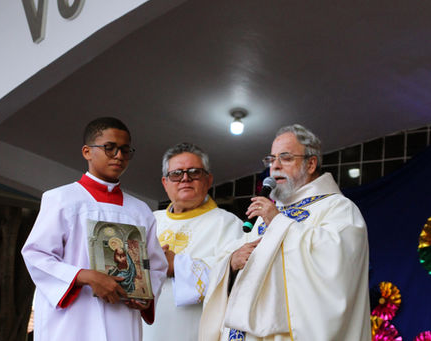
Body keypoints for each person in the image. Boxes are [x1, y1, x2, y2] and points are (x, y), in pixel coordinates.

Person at [199, 124, 371, 341]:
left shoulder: (339, 209)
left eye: (286, 158)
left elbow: (337, 264)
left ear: (311, 164)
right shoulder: (267, 213)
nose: (275, 166)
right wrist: (232, 263)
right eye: (271, 160)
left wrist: (279, 223)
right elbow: (232, 262)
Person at [22, 117, 168, 341]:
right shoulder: (60, 199)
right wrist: (84, 276)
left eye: (125, 150)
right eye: (110, 148)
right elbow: (36, 254)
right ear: (87, 152)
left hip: (122, 317)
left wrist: (143, 295)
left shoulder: (140, 211)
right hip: (73, 318)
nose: (119, 156)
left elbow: (156, 267)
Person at [143, 142, 244, 341]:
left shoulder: (229, 224)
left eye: (194, 172)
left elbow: (237, 280)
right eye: (176, 174)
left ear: (208, 179)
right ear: (165, 182)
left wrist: (177, 266)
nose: (185, 179)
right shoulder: (150, 220)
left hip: (193, 332)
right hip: (145, 329)